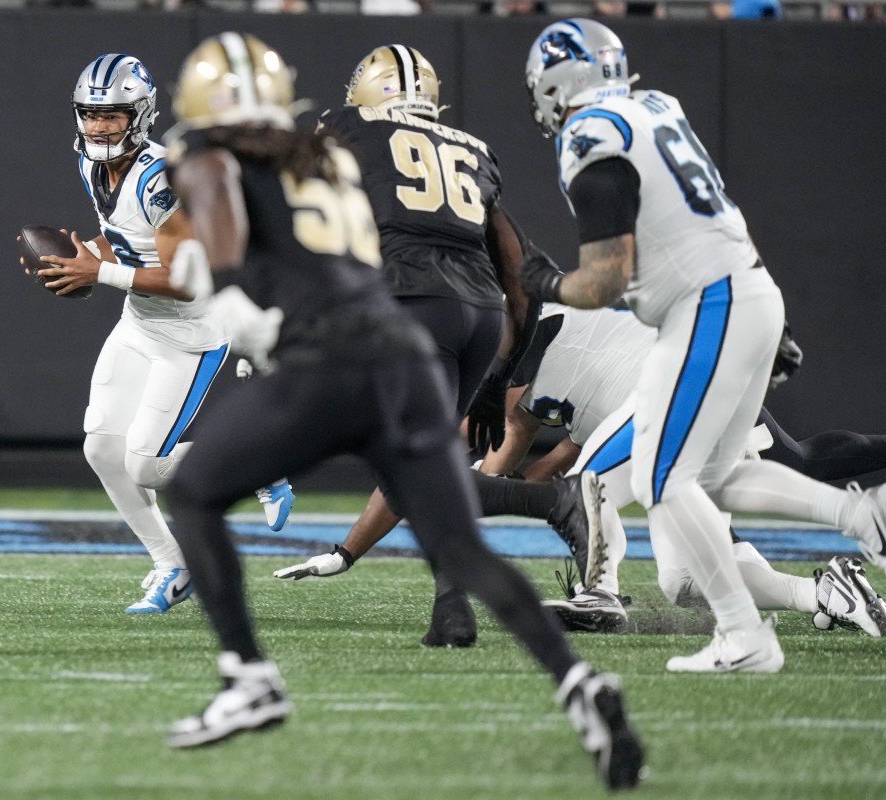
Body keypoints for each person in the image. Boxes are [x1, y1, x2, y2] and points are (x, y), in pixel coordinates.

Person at [158, 32, 644, 790]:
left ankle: (248, 677)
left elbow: (233, 265)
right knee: (461, 546)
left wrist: (232, 304)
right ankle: (578, 685)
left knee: (190, 490)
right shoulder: (325, 157)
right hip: (412, 354)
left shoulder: (237, 154)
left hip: (336, 355)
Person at [517, 18, 882, 672]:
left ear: (556, 83)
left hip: (706, 305)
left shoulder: (590, 132)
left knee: (662, 477)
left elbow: (604, 279)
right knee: (706, 494)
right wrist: (778, 324)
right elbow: (725, 216)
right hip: (746, 290)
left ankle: (754, 625)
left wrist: (548, 280)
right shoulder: (657, 108)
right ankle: (853, 525)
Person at [308, 43, 605, 648]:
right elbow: (520, 275)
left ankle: (554, 501)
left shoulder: (345, 129)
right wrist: (499, 375)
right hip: (478, 316)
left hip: (411, 306)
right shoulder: (473, 151)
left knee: (413, 466)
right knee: (418, 462)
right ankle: (452, 609)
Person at [26, 52, 294, 615]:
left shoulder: (156, 178)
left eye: (112, 115)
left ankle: (260, 464)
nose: (98, 127)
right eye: (90, 114)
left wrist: (96, 271)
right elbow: (124, 242)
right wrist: (81, 257)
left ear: (140, 114)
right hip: (140, 322)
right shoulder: (91, 165)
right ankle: (172, 563)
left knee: (146, 463)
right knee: (100, 447)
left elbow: (185, 281)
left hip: (192, 331)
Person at [479, 303, 886, 637]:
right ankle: (825, 593)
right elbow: (546, 442)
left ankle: (599, 592)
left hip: (673, 387)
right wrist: (499, 489)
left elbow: (512, 427)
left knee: (587, 489)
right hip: (688, 399)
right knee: (686, 581)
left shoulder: (516, 316)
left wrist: (477, 488)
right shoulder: (566, 364)